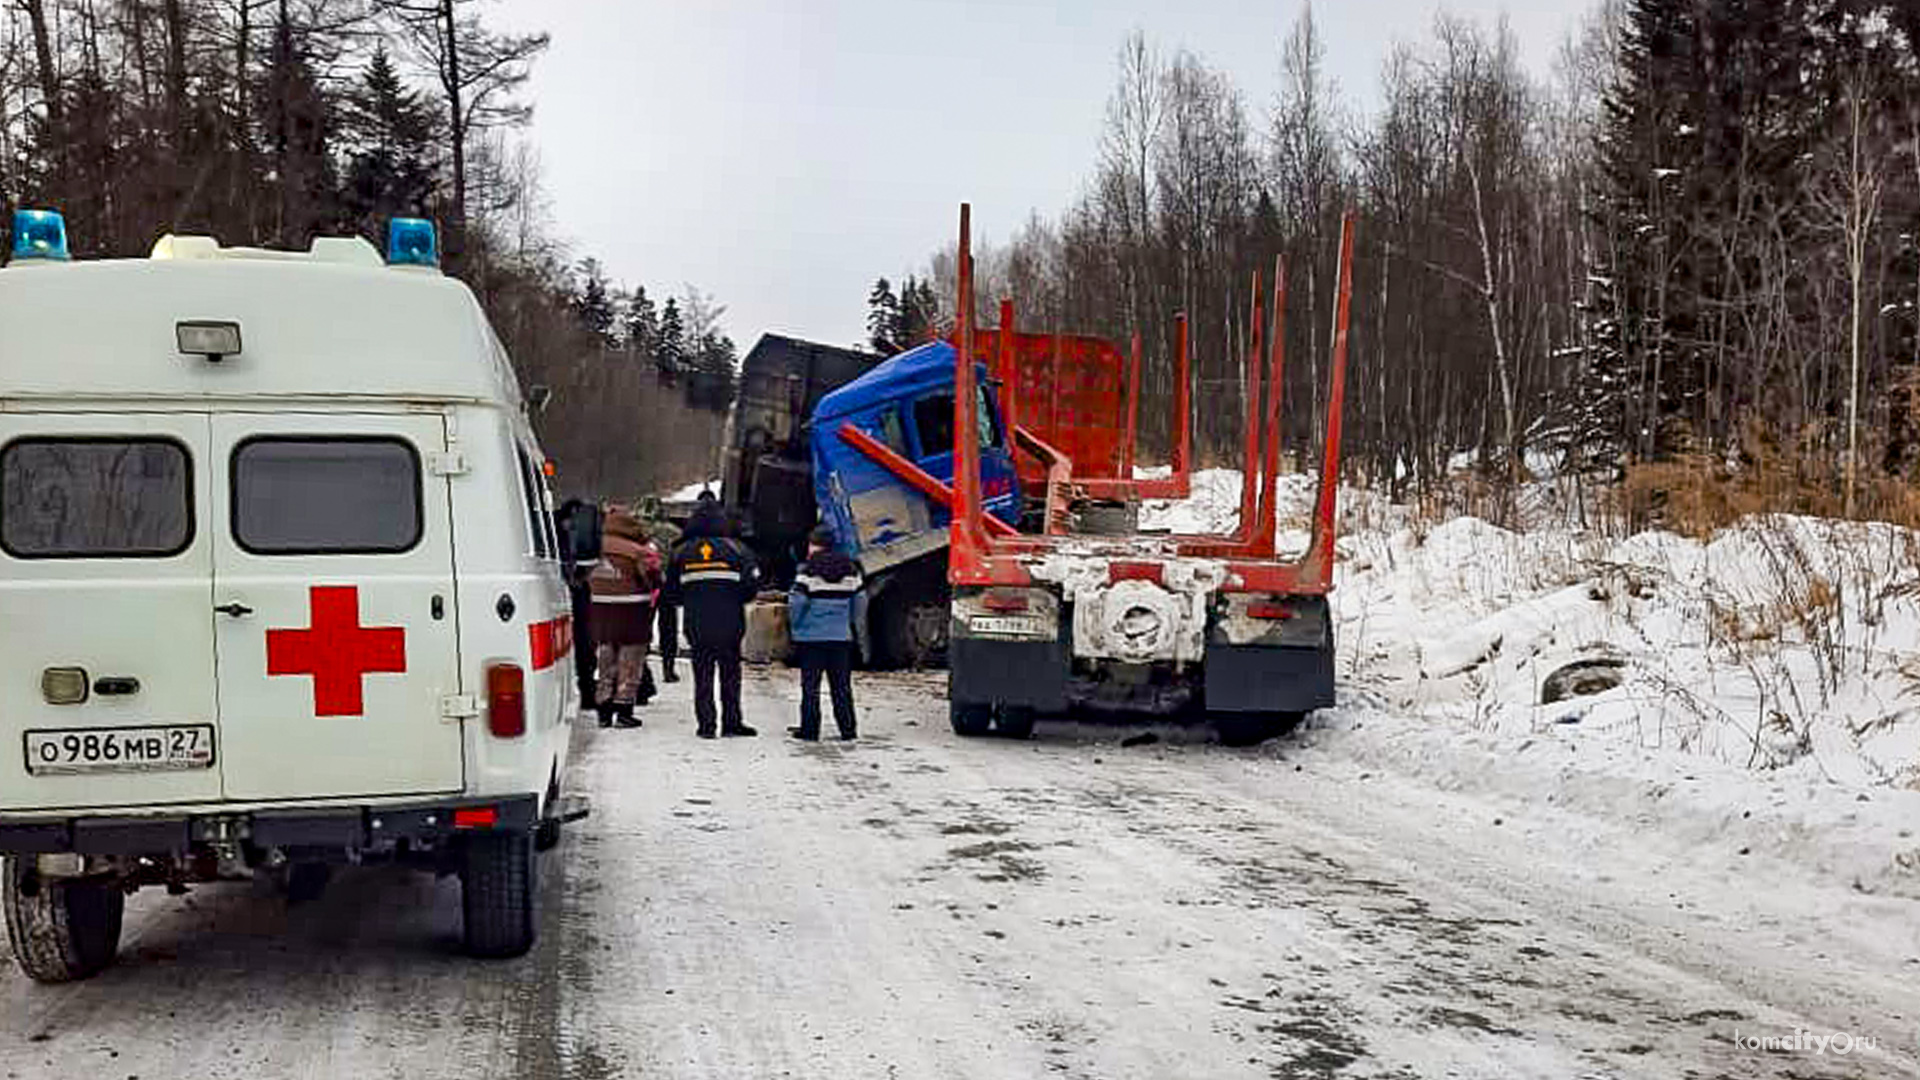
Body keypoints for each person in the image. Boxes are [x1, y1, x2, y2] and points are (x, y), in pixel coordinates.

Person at [664, 501, 759, 739]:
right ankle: (732, 723)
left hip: (696, 624)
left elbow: (671, 592)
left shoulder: (681, 552)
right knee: (730, 673)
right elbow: (751, 588)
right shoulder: (737, 549)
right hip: (730, 623)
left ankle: (706, 725)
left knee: (703, 675)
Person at [787, 525, 863, 741]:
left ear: (813, 545)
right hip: (840, 638)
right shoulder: (851, 570)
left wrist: (796, 626)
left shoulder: (806, 571)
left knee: (810, 686)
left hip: (811, 639)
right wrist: (848, 623)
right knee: (841, 686)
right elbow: (860, 601)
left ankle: (810, 730)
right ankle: (848, 729)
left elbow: (797, 603)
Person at [589, 508, 662, 728]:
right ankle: (623, 711)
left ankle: (603, 711)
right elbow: (653, 578)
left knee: (605, 659)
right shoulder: (639, 552)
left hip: (600, 610)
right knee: (630, 662)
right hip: (633, 611)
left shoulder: (593, 547)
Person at [555, 499, 600, 712]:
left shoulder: (581, 540)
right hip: (566, 595)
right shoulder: (555, 538)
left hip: (576, 595)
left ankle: (587, 692)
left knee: (584, 646)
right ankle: (586, 692)